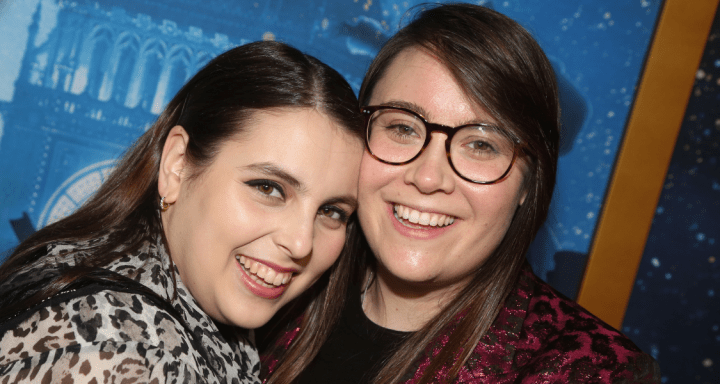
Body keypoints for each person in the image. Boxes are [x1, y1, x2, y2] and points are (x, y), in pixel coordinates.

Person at [260, 4, 660, 383]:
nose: (429, 177)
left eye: (482, 145)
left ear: (528, 184)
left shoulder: (592, 371)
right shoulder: (272, 288)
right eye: (402, 128)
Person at [0, 41, 364, 384]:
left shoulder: (188, 318)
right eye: (269, 188)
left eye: (331, 211)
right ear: (177, 166)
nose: (301, 242)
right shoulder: (113, 350)